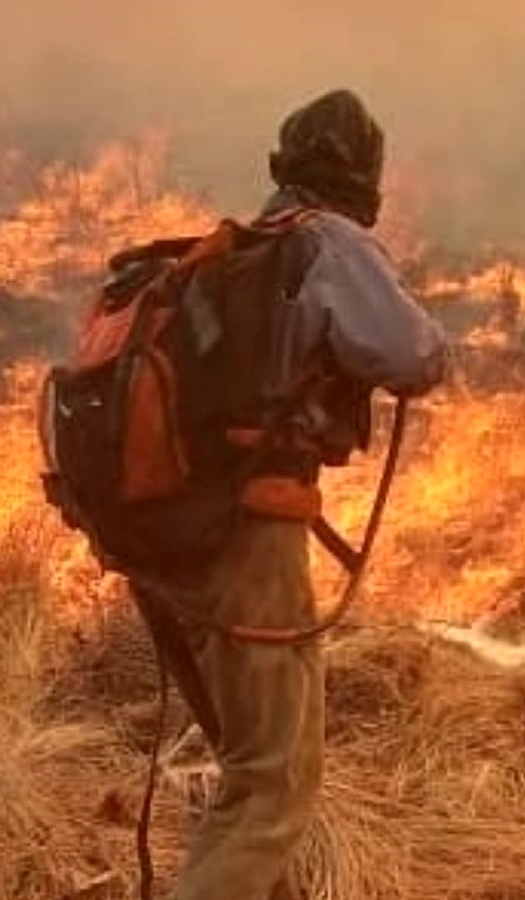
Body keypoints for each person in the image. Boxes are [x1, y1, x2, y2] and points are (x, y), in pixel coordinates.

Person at [131, 88, 447, 900]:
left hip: (175, 538)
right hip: (251, 538)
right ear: (364, 177)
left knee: (257, 765)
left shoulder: (232, 250)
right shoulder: (327, 244)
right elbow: (410, 354)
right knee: (270, 788)